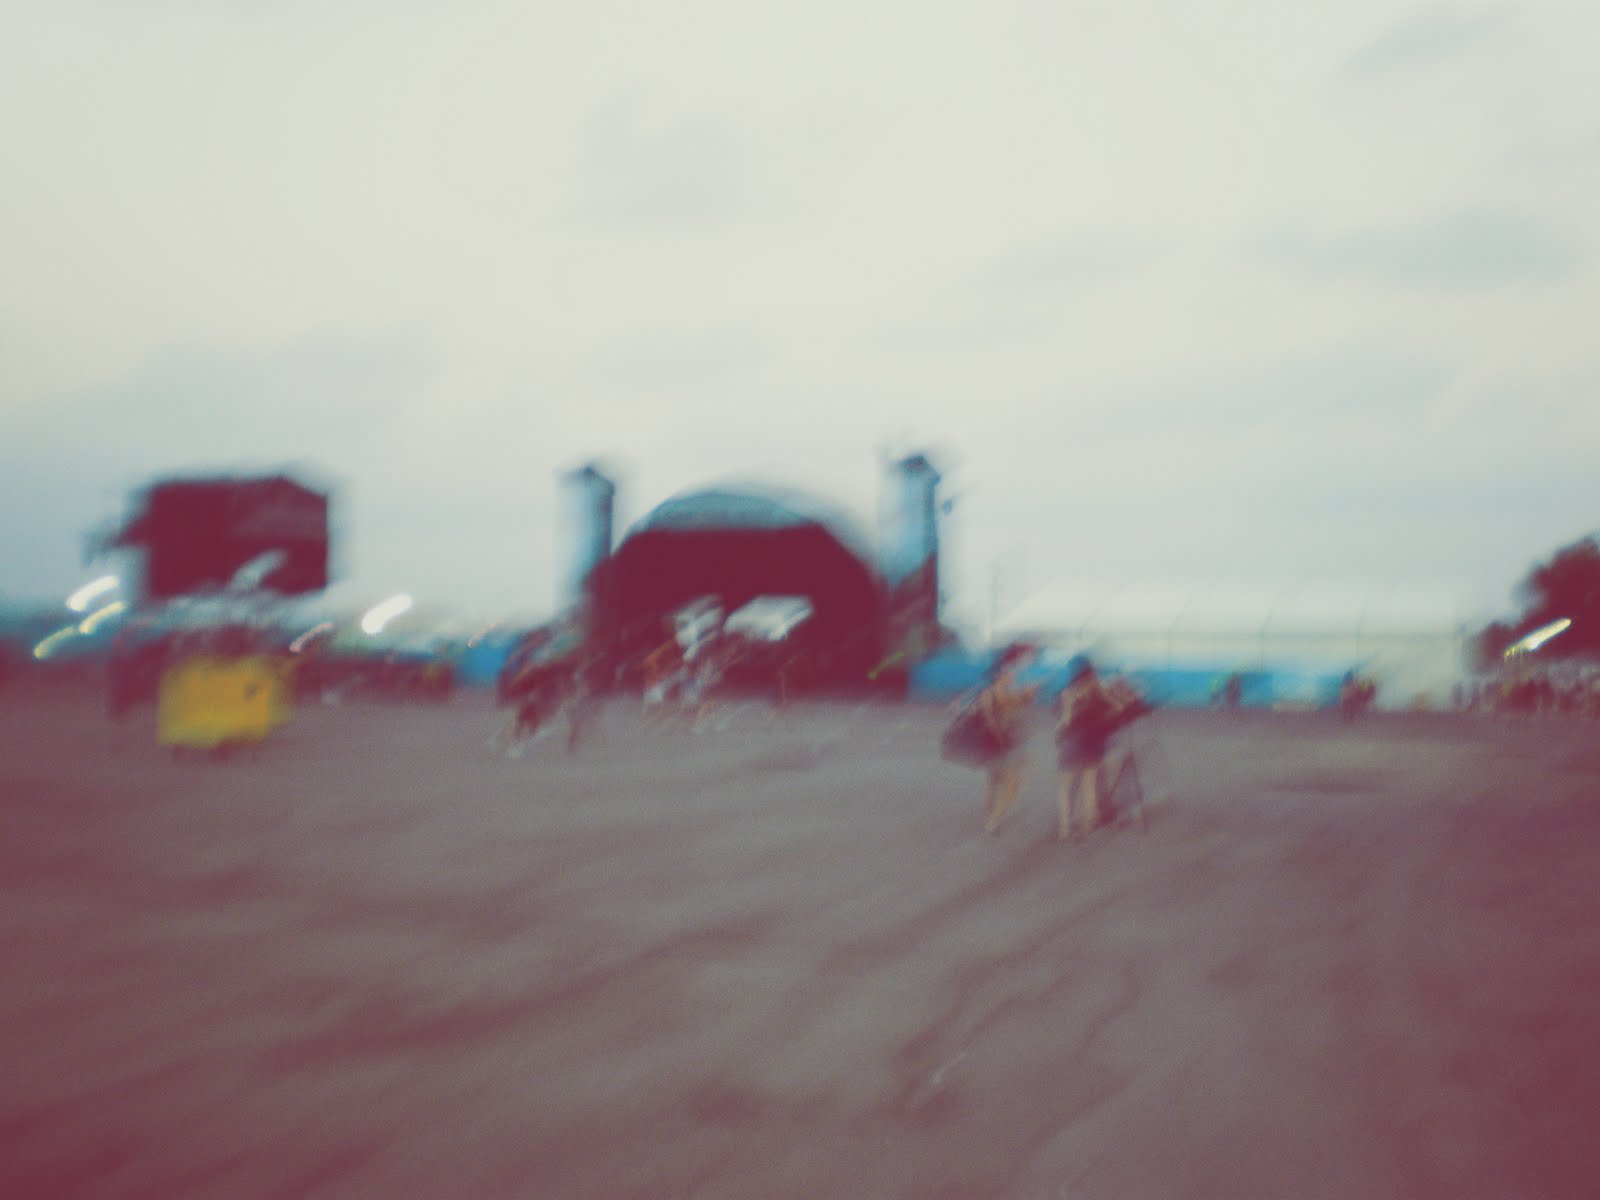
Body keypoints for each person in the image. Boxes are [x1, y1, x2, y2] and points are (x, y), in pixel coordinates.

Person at [1055, 657, 1126, 842]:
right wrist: (1103, 720)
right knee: (1089, 786)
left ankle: (1065, 829)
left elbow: (1066, 721)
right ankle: (1087, 826)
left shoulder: (1069, 693)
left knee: (1066, 788)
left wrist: (1059, 730)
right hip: (1093, 743)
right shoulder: (1099, 689)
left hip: (1073, 743)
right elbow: (1119, 707)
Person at [976, 643, 1039, 834]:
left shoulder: (987, 693)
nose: (1012, 676)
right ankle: (993, 822)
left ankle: (988, 811)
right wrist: (1029, 692)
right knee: (1012, 784)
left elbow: (1010, 707)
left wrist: (1025, 694)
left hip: (990, 745)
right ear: (1001, 676)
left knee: (994, 779)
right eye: (1009, 674)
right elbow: (1019, 702)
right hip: (1003, 745)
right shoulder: (1002, 693)